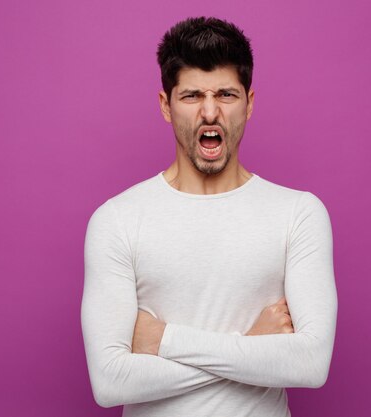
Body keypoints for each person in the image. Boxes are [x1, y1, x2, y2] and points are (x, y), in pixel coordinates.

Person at [81, 16, 337, 417]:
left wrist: (162, 339)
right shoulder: (117, 220)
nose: (210, 112)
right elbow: (110, 381)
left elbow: (310, 363)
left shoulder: (298, 214)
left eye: (226, 94)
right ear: (166, 106)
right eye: (192, 96)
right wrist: (252, 343)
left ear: (249, 103)